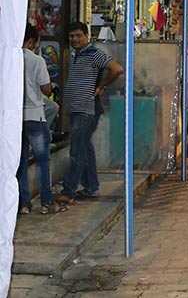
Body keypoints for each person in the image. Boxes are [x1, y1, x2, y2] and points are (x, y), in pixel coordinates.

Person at [56, 22, 123, 205]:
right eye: (72, 36)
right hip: (77, 109)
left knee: (77, 151)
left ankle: (68, 191)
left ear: (87, 36)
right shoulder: (75, 54)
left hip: (87, 109)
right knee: (85, 148)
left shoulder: (94, 53)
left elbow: (117, 69)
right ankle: (91, 187)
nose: (75, 39)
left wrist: (102, 86)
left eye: (78, 35)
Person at [16, 24, 63, 215]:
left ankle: (24, 204)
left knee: (20, 163)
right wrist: (49, 86)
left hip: (16, 118)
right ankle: (46, 202)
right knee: (43, 161)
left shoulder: (9, 59)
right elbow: (46, 90)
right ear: (32, 41)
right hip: (35, 116)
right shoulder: (37, 61)